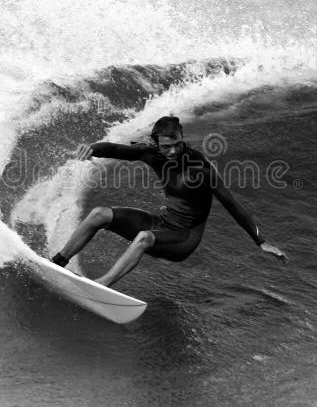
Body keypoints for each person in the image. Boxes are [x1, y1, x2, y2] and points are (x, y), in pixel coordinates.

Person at [50, 116, 287, 287]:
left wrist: (260, 241)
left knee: (143, 238)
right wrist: (92, 148)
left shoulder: (200, 169)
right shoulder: (151, 152)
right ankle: (58, 262)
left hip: (183, 239)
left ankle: (101, 285)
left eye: (177, 144)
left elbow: (233, 206)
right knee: (99, 214)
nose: (172, 151)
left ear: (182, 138)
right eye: (166, 146)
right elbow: (116, 149)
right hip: (162, 223)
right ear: (157, 143)